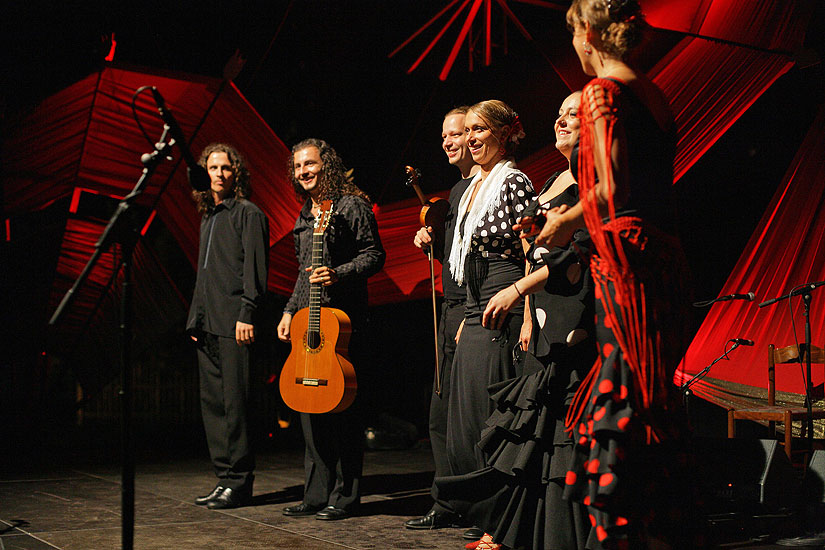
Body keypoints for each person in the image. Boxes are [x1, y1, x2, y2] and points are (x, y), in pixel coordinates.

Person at [533, 1, 694, 547]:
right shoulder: (655, 93)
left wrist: (563, 221)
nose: (574, 47)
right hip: (663, 261)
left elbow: (610, 189)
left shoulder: (600, 93)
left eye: (575, 34)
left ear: (592, 32)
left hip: (626, 263)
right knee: (651, 396)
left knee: (624, 400)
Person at [441, 92, 597, 550]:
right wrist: (529, 309)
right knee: (530, 429)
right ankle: (509, 528)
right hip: (533, 308)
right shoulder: (552, 177)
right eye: (560, 113)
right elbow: (533, 252)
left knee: (544, 427)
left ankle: (521, 528)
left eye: (574, 115)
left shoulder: (581, 184)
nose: (562, 120)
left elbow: (572, 251)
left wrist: (517, 297)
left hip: (563, 308)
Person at [433, 99, 535, 542]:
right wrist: (466, 315)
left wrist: (528, 315)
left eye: (479, 130)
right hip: (474, 308)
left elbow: (533, 252)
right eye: (466, 130)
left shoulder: (513, 183)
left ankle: (501, 527)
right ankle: (482, 515)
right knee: (463, 423)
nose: (471, 138)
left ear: (502, 133)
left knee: (492, 419)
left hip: (503, 305)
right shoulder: (474, 186)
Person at [278, 138, 385, 521]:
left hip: (345, 324)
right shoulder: (306, 214)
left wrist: (338, 274)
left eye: (310, 164)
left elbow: (374, 254)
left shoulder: (351, 204)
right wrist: (290, 310)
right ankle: (315, 493)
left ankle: (346, 495)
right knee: (309, 409)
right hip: (310, 323)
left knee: (344, 412)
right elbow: (303, 273)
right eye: (298, 167)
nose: (303, 172)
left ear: (327, 166)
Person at [405, 107, 480, 538]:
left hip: (471, 311)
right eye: (446, 136)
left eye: (458, 133)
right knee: (439, 416)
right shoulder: (453, 193)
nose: (450, 141)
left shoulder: (488, 187)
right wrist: (428, 239)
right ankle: (446, 502)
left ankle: (475, 506)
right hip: (449, 309)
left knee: (468, 418)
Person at [186, 143, 269, 510]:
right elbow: (204, 276)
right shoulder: (209, 216)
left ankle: (239, 481)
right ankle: (224, 478)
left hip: (235, 323)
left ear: (236, 175)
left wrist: (246, 314)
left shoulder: (248, 214)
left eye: (225, 168)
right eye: (213, 168)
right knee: (213, 406)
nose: (218, 174)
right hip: (207, 324)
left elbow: (255, 272)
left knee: (236, 406)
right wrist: (195, 318)